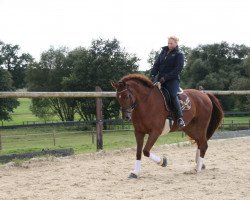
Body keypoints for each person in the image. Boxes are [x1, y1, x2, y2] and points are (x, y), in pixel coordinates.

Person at [150, 36, 185, 128]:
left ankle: (180, 118)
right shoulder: (163, 52)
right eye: (168, 43)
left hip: (172, 80)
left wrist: (165, 78)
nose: (169, 45)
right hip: (159, 79)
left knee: (173, 95)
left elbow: (177, 69)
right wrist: (153, 75)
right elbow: (156, 64)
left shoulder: (179, 54)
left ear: (176, 43)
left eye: (171, 43)